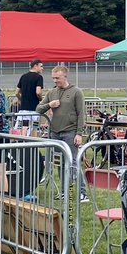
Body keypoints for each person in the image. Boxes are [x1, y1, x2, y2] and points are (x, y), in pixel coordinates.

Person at [36, 65, 87, 198]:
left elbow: (81, 113)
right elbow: (38, 109)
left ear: (65, 76)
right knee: (60, 163)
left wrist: (79, 133)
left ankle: (82, 192)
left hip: (70, 132)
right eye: (53, 78)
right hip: (55, 133)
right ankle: (64, 191)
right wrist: (49, 105)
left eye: (57, 78)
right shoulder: (52, 93)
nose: (55, 81)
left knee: (73, 162)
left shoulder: (76, 92)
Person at [15, 59, 45, 130]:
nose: (42, 68)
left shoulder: (23, 76)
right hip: (34, 108)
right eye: (41, 66)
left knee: (24, 126)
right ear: (35, 66)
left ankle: (22, 137)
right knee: (35, 127)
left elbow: (16, 92)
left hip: (24, 109)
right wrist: (41, 99)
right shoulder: (39, 77)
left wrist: (21, 99)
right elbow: (38, 92)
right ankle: (34, 137)